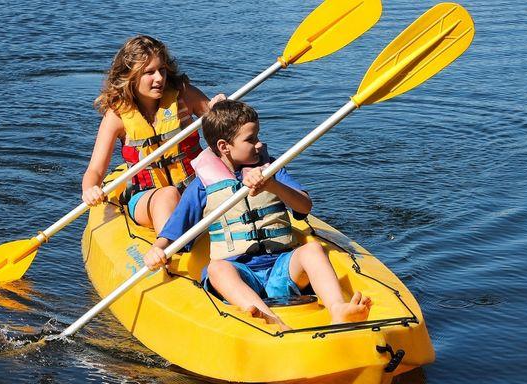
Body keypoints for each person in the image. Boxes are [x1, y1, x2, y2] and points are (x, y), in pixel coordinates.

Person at [143, 100, 372, 329]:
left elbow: (304, 207)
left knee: (312, 250)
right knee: (216, 269)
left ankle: (337, 308)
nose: (259, 144)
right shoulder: (201, 185)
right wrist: (157, 249)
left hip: (281, 266)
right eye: (250, 139)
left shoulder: (272, 169)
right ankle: (269, 319)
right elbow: (175, 230)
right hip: (239, 272)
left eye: (257, 136)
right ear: (224, 146)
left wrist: (273, 185)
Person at [82, 35, 223, 233]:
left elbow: (225, 129)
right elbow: (95, 170)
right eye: (149, 72)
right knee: (168, 195)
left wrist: (221, 108)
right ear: (131, 77)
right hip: (147, 196)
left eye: (162, 70)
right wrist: (90, 190)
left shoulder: (184, 95)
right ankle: (170, 247)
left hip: (195, 187)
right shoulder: (117, 116)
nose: (159, 78)